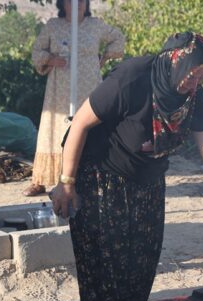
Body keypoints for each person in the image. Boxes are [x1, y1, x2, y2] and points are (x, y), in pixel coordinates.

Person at [49, 32, 203, 301]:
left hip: (149, 179)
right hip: (102, 173)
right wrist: (67, 183)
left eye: (202, 77)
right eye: (192, 74)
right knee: (109, 260)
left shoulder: (193, 96)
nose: (195, 82)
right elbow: (80, 125)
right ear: (174, 61)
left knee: (141, 258)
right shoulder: (133, 77)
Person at [25, 0, 126, 196]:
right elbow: (37, 51)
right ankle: (41, 179)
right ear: (63, 4)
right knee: (55, 126)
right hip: (60, 88)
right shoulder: (53, 26)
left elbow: (118, 39)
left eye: (81, 1)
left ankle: (91, 176)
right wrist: (52, 59)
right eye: (72, 1)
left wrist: (104, 57)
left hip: (89, 86)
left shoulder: (95, 25)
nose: (77, 4)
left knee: (90, 126)